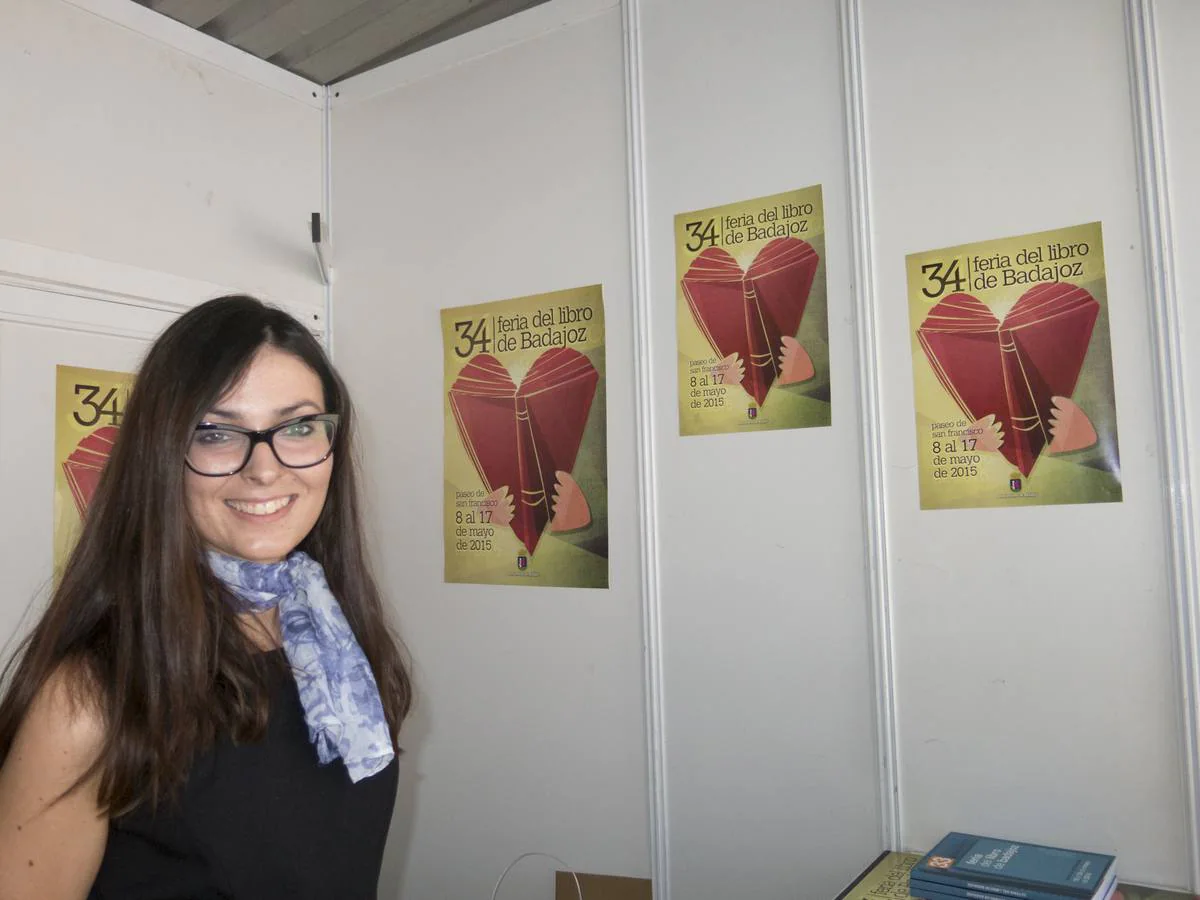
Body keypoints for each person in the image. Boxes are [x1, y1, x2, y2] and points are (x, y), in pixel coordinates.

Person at [0, 296, 412, 899]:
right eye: (218, 433)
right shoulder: (89, 700)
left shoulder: (337, 649)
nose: (265, 469)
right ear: (162, 456)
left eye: (298, 426)